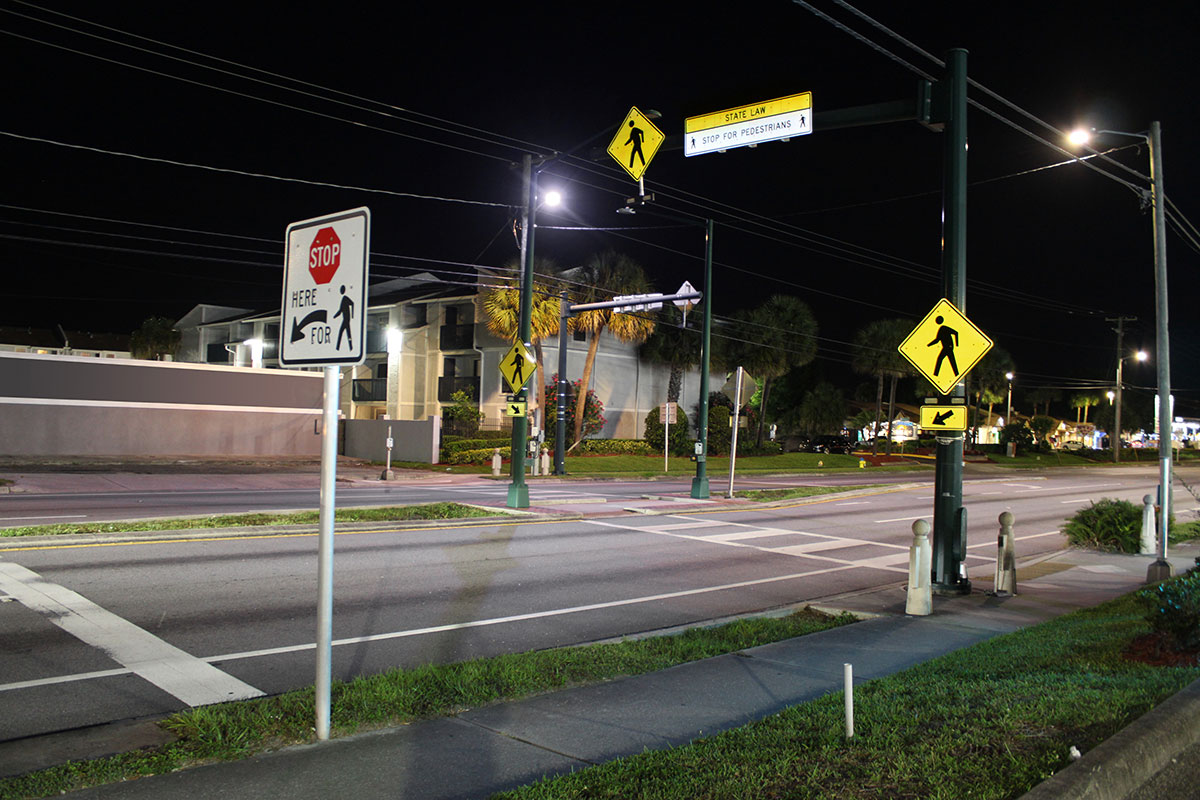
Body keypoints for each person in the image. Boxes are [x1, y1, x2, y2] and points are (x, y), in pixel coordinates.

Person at [334, 285, 354, 351]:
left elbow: (352, 303)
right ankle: (350, 347)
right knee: (348, 334)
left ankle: (338, 347)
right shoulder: (343, 300)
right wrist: (334, 316)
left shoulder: (345, 298)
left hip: (346, 320)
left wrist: (352, 315)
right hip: (345, 319)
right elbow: (340, 311)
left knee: (343, 332)